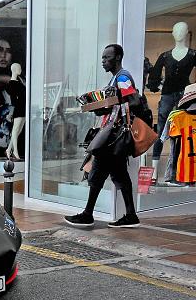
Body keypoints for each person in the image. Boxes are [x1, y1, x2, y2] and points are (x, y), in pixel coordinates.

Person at [64, 43, 140, 229]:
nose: (103, 61)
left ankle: (88, 214)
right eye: (102, 58)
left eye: (107, 58)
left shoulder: (122, 78)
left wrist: (114, 103)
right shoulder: (115, 79)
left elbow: (134, 100)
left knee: (97, 172)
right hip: (113, 135)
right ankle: (130, 215)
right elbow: (113, 105)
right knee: (119, 175)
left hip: (113, 135)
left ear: (118, 57)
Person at [147, 22, 196, 181]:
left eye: (182, 30)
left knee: (182, 131)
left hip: (185, 97)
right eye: (177, 30)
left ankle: (177, 172)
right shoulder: (165, 56)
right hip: (167, 95)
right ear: (173, 33)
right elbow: (153, 76)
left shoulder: (193, 55)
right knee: (161, 131)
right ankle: (153, 172)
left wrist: (192, 90)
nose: (180, 33)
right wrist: (159, 86)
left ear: (187, 32)